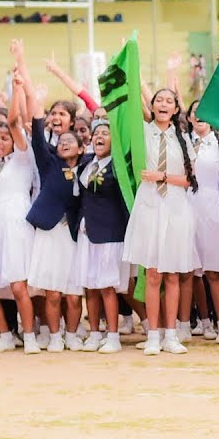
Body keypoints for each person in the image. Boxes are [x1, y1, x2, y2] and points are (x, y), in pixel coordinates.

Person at [18, 55, 89, 353]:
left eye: (69, 143)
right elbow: (36, 130)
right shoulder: (48, 162)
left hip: (73, 233)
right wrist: (36, 99)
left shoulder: (88, 164)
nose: (63, 145)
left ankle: (73, 334)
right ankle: (56, 336)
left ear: (80, 147)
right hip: (49, 231)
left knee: (74, 295)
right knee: (52, 293)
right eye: (60, 143)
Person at [122, 84, 200, 356]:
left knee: (173, 274)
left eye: (170, 101)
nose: (164, 104)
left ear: (177, 109)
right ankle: (152, 334)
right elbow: (133, 104)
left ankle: (171, 334)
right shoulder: (144, 133)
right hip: (150, 207)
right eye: (159, 100)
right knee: (153, 273)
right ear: (152, 106)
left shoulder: (183, 139)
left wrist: (162, 177)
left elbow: (190, 180)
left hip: (176, 208)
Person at [0, 60, 37, 354]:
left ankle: (29, 337)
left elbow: (14, 121)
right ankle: (4, 334)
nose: (1, 141)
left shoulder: (23, 161)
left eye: (5, 138)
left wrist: (16, 90)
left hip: (16, 223)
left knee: (18, 287)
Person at [73, 121, 131, 353]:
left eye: (105, 133)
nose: (99, 136)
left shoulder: (119, 167)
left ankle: (113, 336)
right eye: (96, 133)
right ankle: (95, 333)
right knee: (90, 286)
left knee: (107, 286)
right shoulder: (86, 164)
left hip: (109, 233)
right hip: (87, 233)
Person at [186, 103, 219, 344]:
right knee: (192, 271)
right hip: (184, 206)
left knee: (213, 270)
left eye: (204, 111)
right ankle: (204, 322)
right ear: (188, 117)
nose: (199, 116)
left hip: (211, 206)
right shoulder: (182, 143)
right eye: (194, 111)